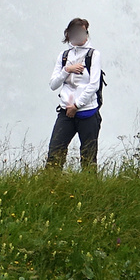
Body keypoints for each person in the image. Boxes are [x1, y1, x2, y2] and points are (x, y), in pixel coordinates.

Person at [47, 17, 102, 171]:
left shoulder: (93, 55)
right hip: (65, 113)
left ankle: (90, 191)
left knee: (88, 158)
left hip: (87, 113)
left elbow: (94, 85)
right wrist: (67, 70)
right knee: (55, 153)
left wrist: (77, 105)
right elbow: (53, 85)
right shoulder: (64, 56)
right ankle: (50, 187)